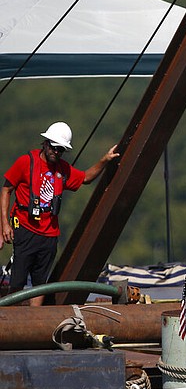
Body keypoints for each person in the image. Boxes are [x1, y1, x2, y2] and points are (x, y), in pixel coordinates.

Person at [0, 122, 120, 306]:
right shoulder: (26, 162)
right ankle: (11, 320)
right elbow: (6, 190)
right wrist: (4, 226)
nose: (57, 152)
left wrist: (105, 159)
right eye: (55, 148)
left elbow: (85, 178)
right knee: (18, 281)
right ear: (46, 143)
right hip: (25, 228)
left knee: (40, 283)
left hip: (49, 235)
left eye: (61, 150)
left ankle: (34, 323)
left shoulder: (62, 169)